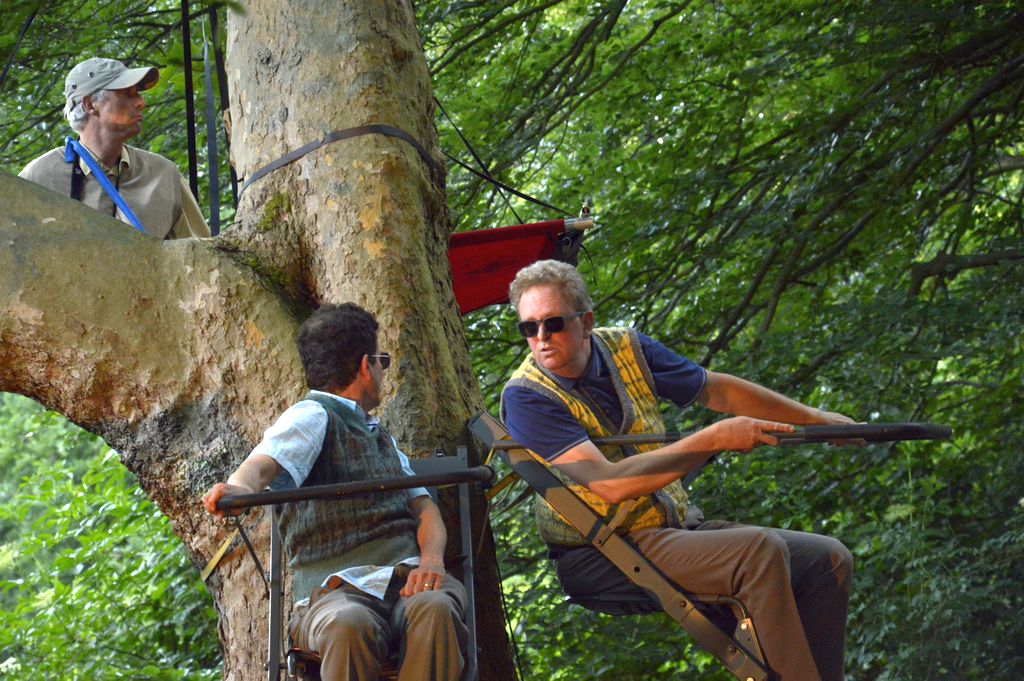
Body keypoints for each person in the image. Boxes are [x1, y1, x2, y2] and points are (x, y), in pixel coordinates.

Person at [500, 259, 855, 681]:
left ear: (586, 321)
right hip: (602, 552)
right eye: (529, 328)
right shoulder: (526, 396)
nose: (541, 338)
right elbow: (610, 485)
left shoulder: (627, 348)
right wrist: (713, 439)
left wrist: (815, 419)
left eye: (553, 323)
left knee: (828, 559)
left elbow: (716, 389)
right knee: (758, 552)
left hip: (673, 529)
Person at [203, 303, 467, 681]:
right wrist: (238, 488)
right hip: (334, 595)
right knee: (349, 624)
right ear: (365, 365)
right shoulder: (313, 415)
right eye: (381, 361)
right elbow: (262, 464)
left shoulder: (383, 439)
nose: (381, 370)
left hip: (407, 583)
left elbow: (425, 510)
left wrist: (431, 562)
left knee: (437, 609)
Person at [19, 57, 210, 239]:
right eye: (128, 94)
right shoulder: (39, 178)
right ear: (90, 105)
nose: (141, 102)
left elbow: (203, 257)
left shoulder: (164, 175)